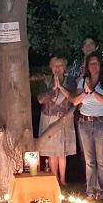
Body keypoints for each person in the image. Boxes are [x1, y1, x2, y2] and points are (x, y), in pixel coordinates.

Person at [72, 51, 103, 200]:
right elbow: (75, 101)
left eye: (96, 63)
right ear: (87, 66)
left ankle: (101, 190)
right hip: (84, 122)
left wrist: (93, 91)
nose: (94, 66)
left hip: (101, 123)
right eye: (91, 63)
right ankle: (90, 190)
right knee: (89, 160)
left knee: (101, 160)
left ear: (101, 65)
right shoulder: (82, 81)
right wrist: (85, 91)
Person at [36, 56, 77, 185]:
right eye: (55, 66)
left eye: (60, 66)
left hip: (64, 118)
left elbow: (73, 98)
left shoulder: (70, 81)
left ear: (64, 68)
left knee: (62, 151)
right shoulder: (46, 81)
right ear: (51, 67)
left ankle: (63, 179)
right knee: (52, 151)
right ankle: (54, 178)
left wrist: (61, 87)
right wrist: (53, 88)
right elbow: (41, 99)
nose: (57, 68)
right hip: (49, 118)